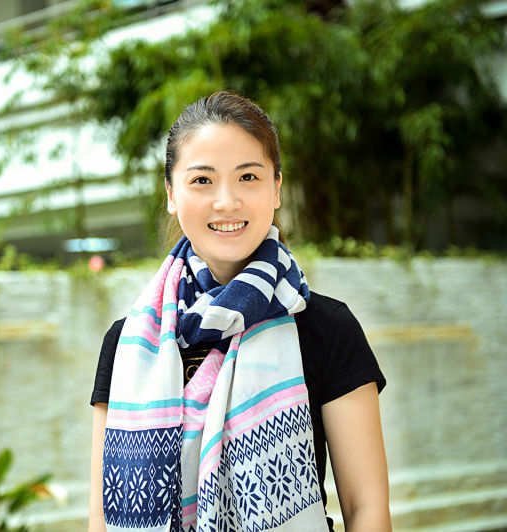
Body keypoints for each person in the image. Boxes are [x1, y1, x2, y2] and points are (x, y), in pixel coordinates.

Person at [88, 91, 391, 531]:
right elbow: (101, 518)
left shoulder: (326, 328)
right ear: (171, 193)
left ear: (276, 188)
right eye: (202, 180)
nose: (226, 201)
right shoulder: (127, 344)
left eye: (248, 177)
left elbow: (366, 510)